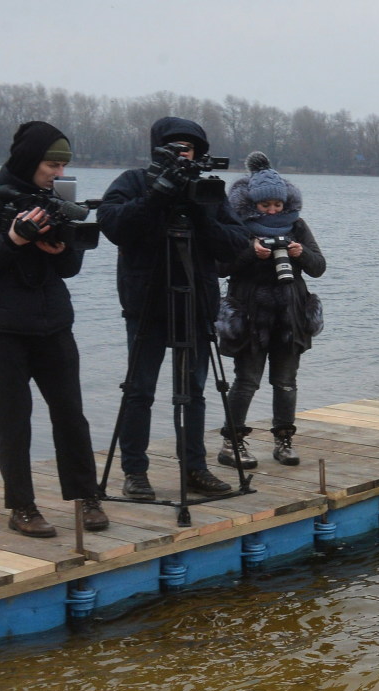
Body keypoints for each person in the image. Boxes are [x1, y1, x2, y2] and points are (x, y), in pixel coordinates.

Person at [0, 121, 108, 537]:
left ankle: (85, 497)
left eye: (63, 165)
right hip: (1, 328)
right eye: (52, 164)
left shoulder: (53, 199)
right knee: (13, 419)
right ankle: (22, 507)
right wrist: (13, 239)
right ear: (28, 159)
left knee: (71, 415)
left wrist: (60, 249)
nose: (59, 174)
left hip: (53, 323)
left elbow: (70, 267)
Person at [98, 117, 249, 501]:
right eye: (175, 147)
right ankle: (135, 472)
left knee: (194, 392)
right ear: (158, 151)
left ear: (200, 153)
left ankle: (195, 468)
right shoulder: (134, 182)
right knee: (139, 391)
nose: (184, 154)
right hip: (146, 304)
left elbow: (235, 244)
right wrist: (158, 195)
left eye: (190, 148)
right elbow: (112, 225)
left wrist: (200, 210)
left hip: (195, 304)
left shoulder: (208, 191)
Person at [215, 152, 326, 469]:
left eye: (278, 204)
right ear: (253, 204)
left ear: (286, 202)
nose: (273, 210)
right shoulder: (238, 226)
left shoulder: (297, 226)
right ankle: (232, 443)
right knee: (247, 381)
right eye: (266, 206)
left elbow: (319, 267)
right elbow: (221, 267)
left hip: (290, 316)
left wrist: (300, 253)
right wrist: (251, 254)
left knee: (286, 381)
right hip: (250, 315)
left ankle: (284, 440)